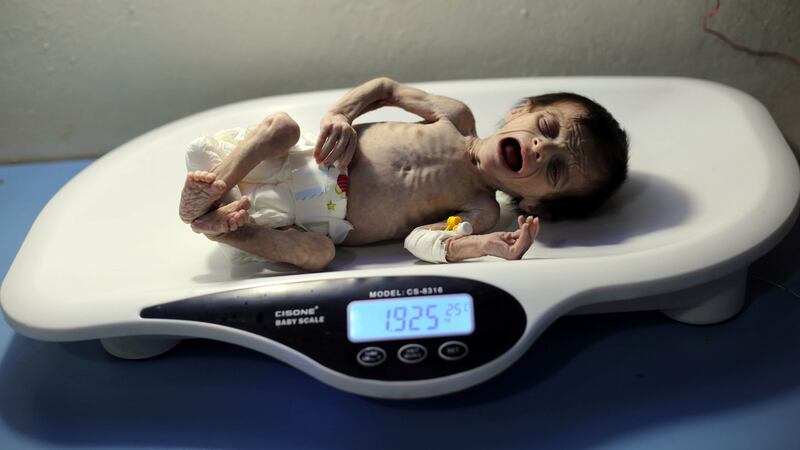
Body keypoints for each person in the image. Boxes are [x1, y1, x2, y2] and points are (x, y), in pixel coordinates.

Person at [179, 77, 628, 271]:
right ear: (520, 112)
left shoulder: (479, 210)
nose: (539, 147)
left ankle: (221, 227)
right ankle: (217, 181)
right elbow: (387, 89)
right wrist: (341, 116)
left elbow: (424, 242)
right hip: (289, 161)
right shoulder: (454, 118)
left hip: (303, 222)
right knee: (282, 125)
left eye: (553, 170)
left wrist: (487, 246)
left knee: (318, 256)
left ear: (534, 206)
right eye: (547, 129)